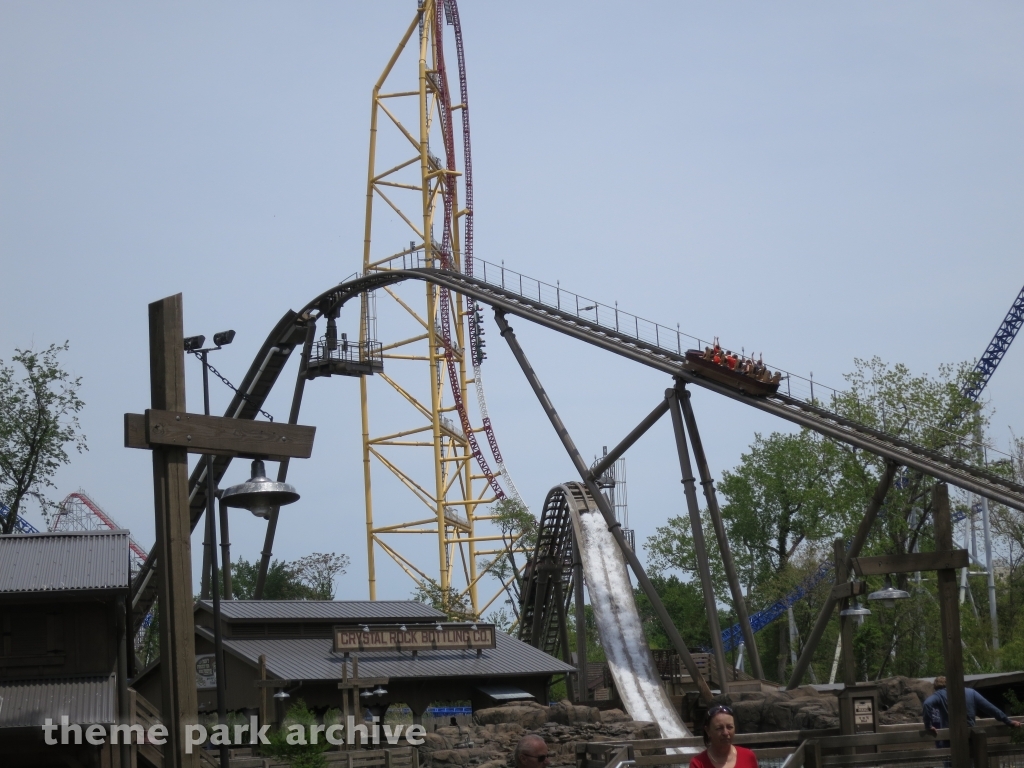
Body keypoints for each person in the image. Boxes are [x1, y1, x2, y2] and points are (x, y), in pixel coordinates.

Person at [922, 676, 1022, 746]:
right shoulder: (970, 692)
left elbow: (927, 704)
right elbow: (990, 709)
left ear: (936, 688)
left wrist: (928, 725)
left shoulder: (939, 694)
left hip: (950, 738)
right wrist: (1008, 721)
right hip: (970, 736)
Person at [689, 705, 758, 768]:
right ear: (708, 731)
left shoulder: (748, 756)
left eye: (729, 727)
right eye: (719, 728)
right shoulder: (697, 763)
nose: (725, 733)